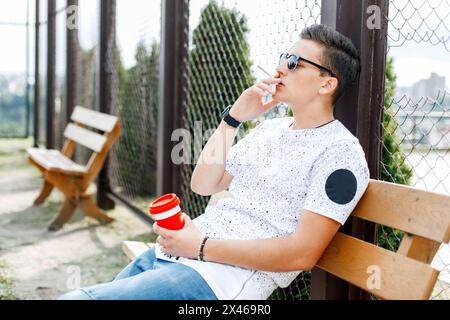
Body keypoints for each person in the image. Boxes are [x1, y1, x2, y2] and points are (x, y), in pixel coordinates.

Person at [58, 23, 369, 300]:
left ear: (327, 84)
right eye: (282, 58)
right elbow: (204, 184)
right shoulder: (269, 130)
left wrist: (200, 246)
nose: (280, 69)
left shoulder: (339, 153)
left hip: (218, 279)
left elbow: (302, 254)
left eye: (293, 63)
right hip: (177, 254)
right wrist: (232, 119)